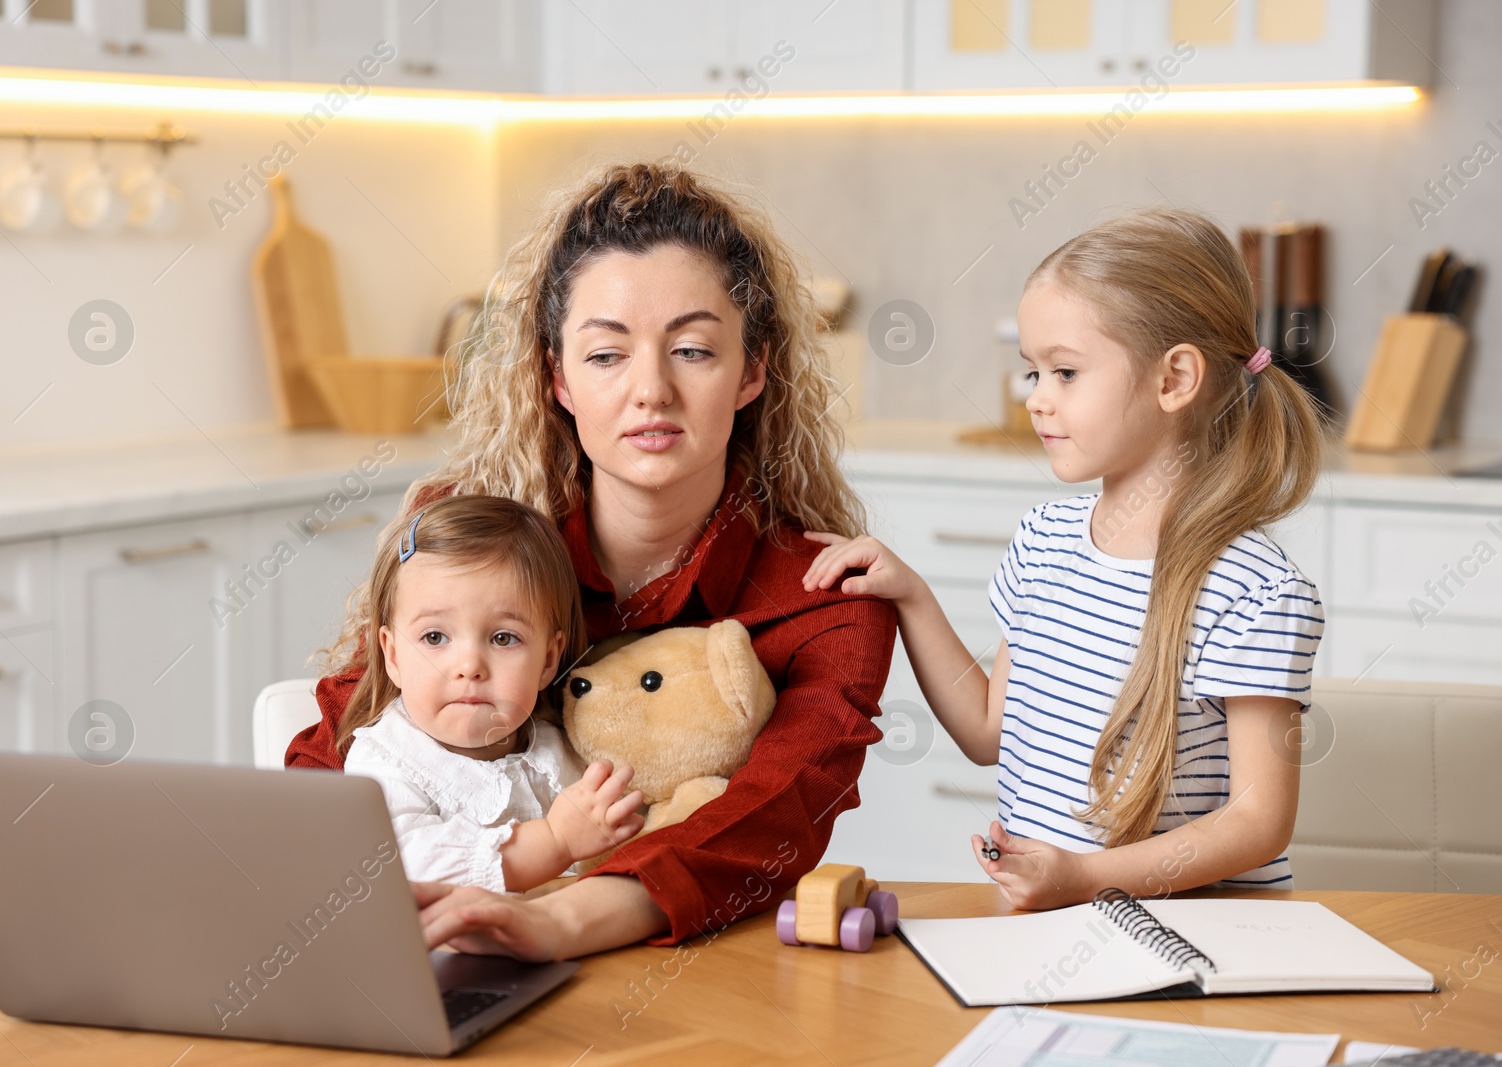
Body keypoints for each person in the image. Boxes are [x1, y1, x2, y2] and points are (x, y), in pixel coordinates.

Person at [288, 162, 899, 959]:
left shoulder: (828, 596)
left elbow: (773, 816)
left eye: (691, 349)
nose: (651, 390)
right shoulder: (464, 540)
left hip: (697, 975)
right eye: (607, 355)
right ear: (558, 379)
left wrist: (558, 919)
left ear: (753, 370)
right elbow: (339, 735)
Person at [802, 207, 1325, 910]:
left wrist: (1085, 877)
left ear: (1175, 379)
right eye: (1033, 373)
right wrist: (911, 596)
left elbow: (1259, 824)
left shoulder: (1252, 588)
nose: (1037, 401)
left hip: (1191, 944)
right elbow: (988, 732)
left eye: (1066, 373)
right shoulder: (1045, 540)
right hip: (1050, 928)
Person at [339, 494, 645, 893]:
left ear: (548, 660)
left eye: (504, 638)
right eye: (435, 637)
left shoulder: (561, 747)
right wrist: (554, 842)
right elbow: (406, 865)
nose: (469, 666)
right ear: (393, 656)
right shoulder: (386, 760)